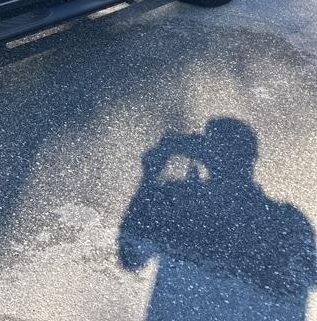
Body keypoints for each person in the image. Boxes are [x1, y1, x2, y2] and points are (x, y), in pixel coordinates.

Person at [119, 118, 316, 320]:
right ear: (251, 159)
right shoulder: (286, 221)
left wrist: (150, 178)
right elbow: (130, 257)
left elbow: (130, 256)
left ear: (205, 155)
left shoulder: (179, 205)